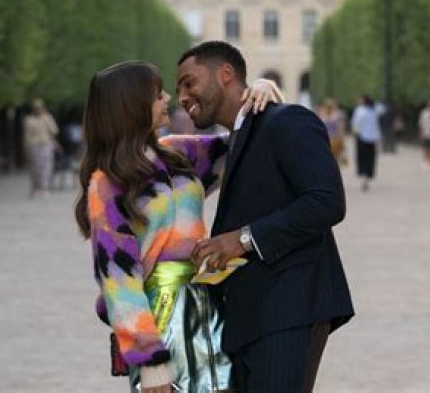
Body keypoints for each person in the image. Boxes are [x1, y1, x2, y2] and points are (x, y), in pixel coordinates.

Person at [74, 61, 282, 393]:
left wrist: (258, 92)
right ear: (133, 106)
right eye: (158, 95)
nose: (168, 98)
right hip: (159, 316)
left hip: (207, 302)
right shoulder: (108, 184)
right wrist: (149, 359)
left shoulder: (177, 154)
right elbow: (118, 279)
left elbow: (243, 144)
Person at [177, 41, 354, 393]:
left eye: (188, 82)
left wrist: (241, 239)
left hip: (288, 308)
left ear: (225, 74)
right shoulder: (236, 138)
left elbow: (327, 201)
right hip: (252, 318)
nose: (181, 96)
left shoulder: (287, 120)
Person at [24, 98, 59, 198]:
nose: (38, 110)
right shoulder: (29, 120)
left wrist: (46, 120)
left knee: (46, 167)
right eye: (36, 108)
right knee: (35, 168)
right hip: (34, 145)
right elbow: (27, 135)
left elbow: (55, 130)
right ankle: (36, 188)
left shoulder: (47, 118)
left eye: (39, 107)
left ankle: (44, 188)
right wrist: (27, 147)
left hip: (45, 144)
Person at [351, 95, 382, 191]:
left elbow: (355, 123)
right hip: (372, 138)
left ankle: (363, 175)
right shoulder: (374, 110)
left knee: (362, 158)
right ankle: (368, 175)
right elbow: (382, 108)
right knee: (370, 158)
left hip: (362, 137)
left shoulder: (359, 110)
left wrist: (354, 133)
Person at [318, 98, 348, 166]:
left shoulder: (323, 115)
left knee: (330, 160)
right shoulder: (337, 115)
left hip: (328, 140)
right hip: (331, 140)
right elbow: (341, 129)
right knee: (333, 160)